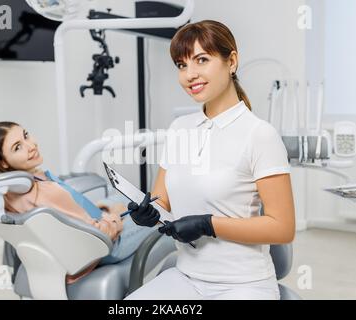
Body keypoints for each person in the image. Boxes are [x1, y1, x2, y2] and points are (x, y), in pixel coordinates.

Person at [125, 20, 295, 300]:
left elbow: (282, 227)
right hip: (186, 278)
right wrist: (148, 213)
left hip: (244, 285)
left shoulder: (259, 134)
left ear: (232, 62)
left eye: (201, 60)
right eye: (181, 65)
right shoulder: (179, 128)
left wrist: (209, 224)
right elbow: (162, 202)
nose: (189, 74)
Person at [0, 121, 156, 283]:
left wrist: (105, 210)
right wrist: (115, 217)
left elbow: (68, 218)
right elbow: (97, 236)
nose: (31, 145)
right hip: (105, 247)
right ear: (3, 162)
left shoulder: (7, 196)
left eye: (26, 135)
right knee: (157, 208)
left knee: (119, 198)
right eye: (17, 147)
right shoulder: (45, 193)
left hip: (69, 250)